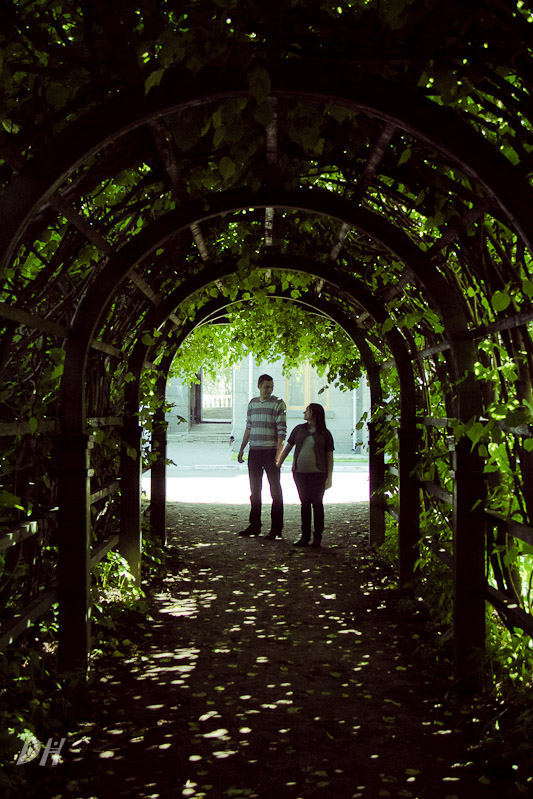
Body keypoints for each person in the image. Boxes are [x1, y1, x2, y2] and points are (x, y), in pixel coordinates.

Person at [277, 403, 334, 548]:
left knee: (317, 504)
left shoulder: (325, 434)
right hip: (300, 473)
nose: (304, 412)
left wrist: (329, 477)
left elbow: (329, 456)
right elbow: (288, 447)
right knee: (305, 504)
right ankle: (305, 536)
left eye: (307, 410)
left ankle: (317, 537)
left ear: (314, 413)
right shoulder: (299, 429)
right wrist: (279, 462)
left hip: (319, 474)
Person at [237, 374, 286, 539]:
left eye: (271, 387)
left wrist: (279, 455)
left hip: (271, 452)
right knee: (255, 491)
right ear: (259, 386)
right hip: (255, 452)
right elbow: (248, 428)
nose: (269, 390)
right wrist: (241, 449)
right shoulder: (252, 404)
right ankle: (255, 525)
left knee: (275, 490)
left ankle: (276, 528)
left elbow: (282, 431)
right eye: (266, 387)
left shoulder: (278, 404)